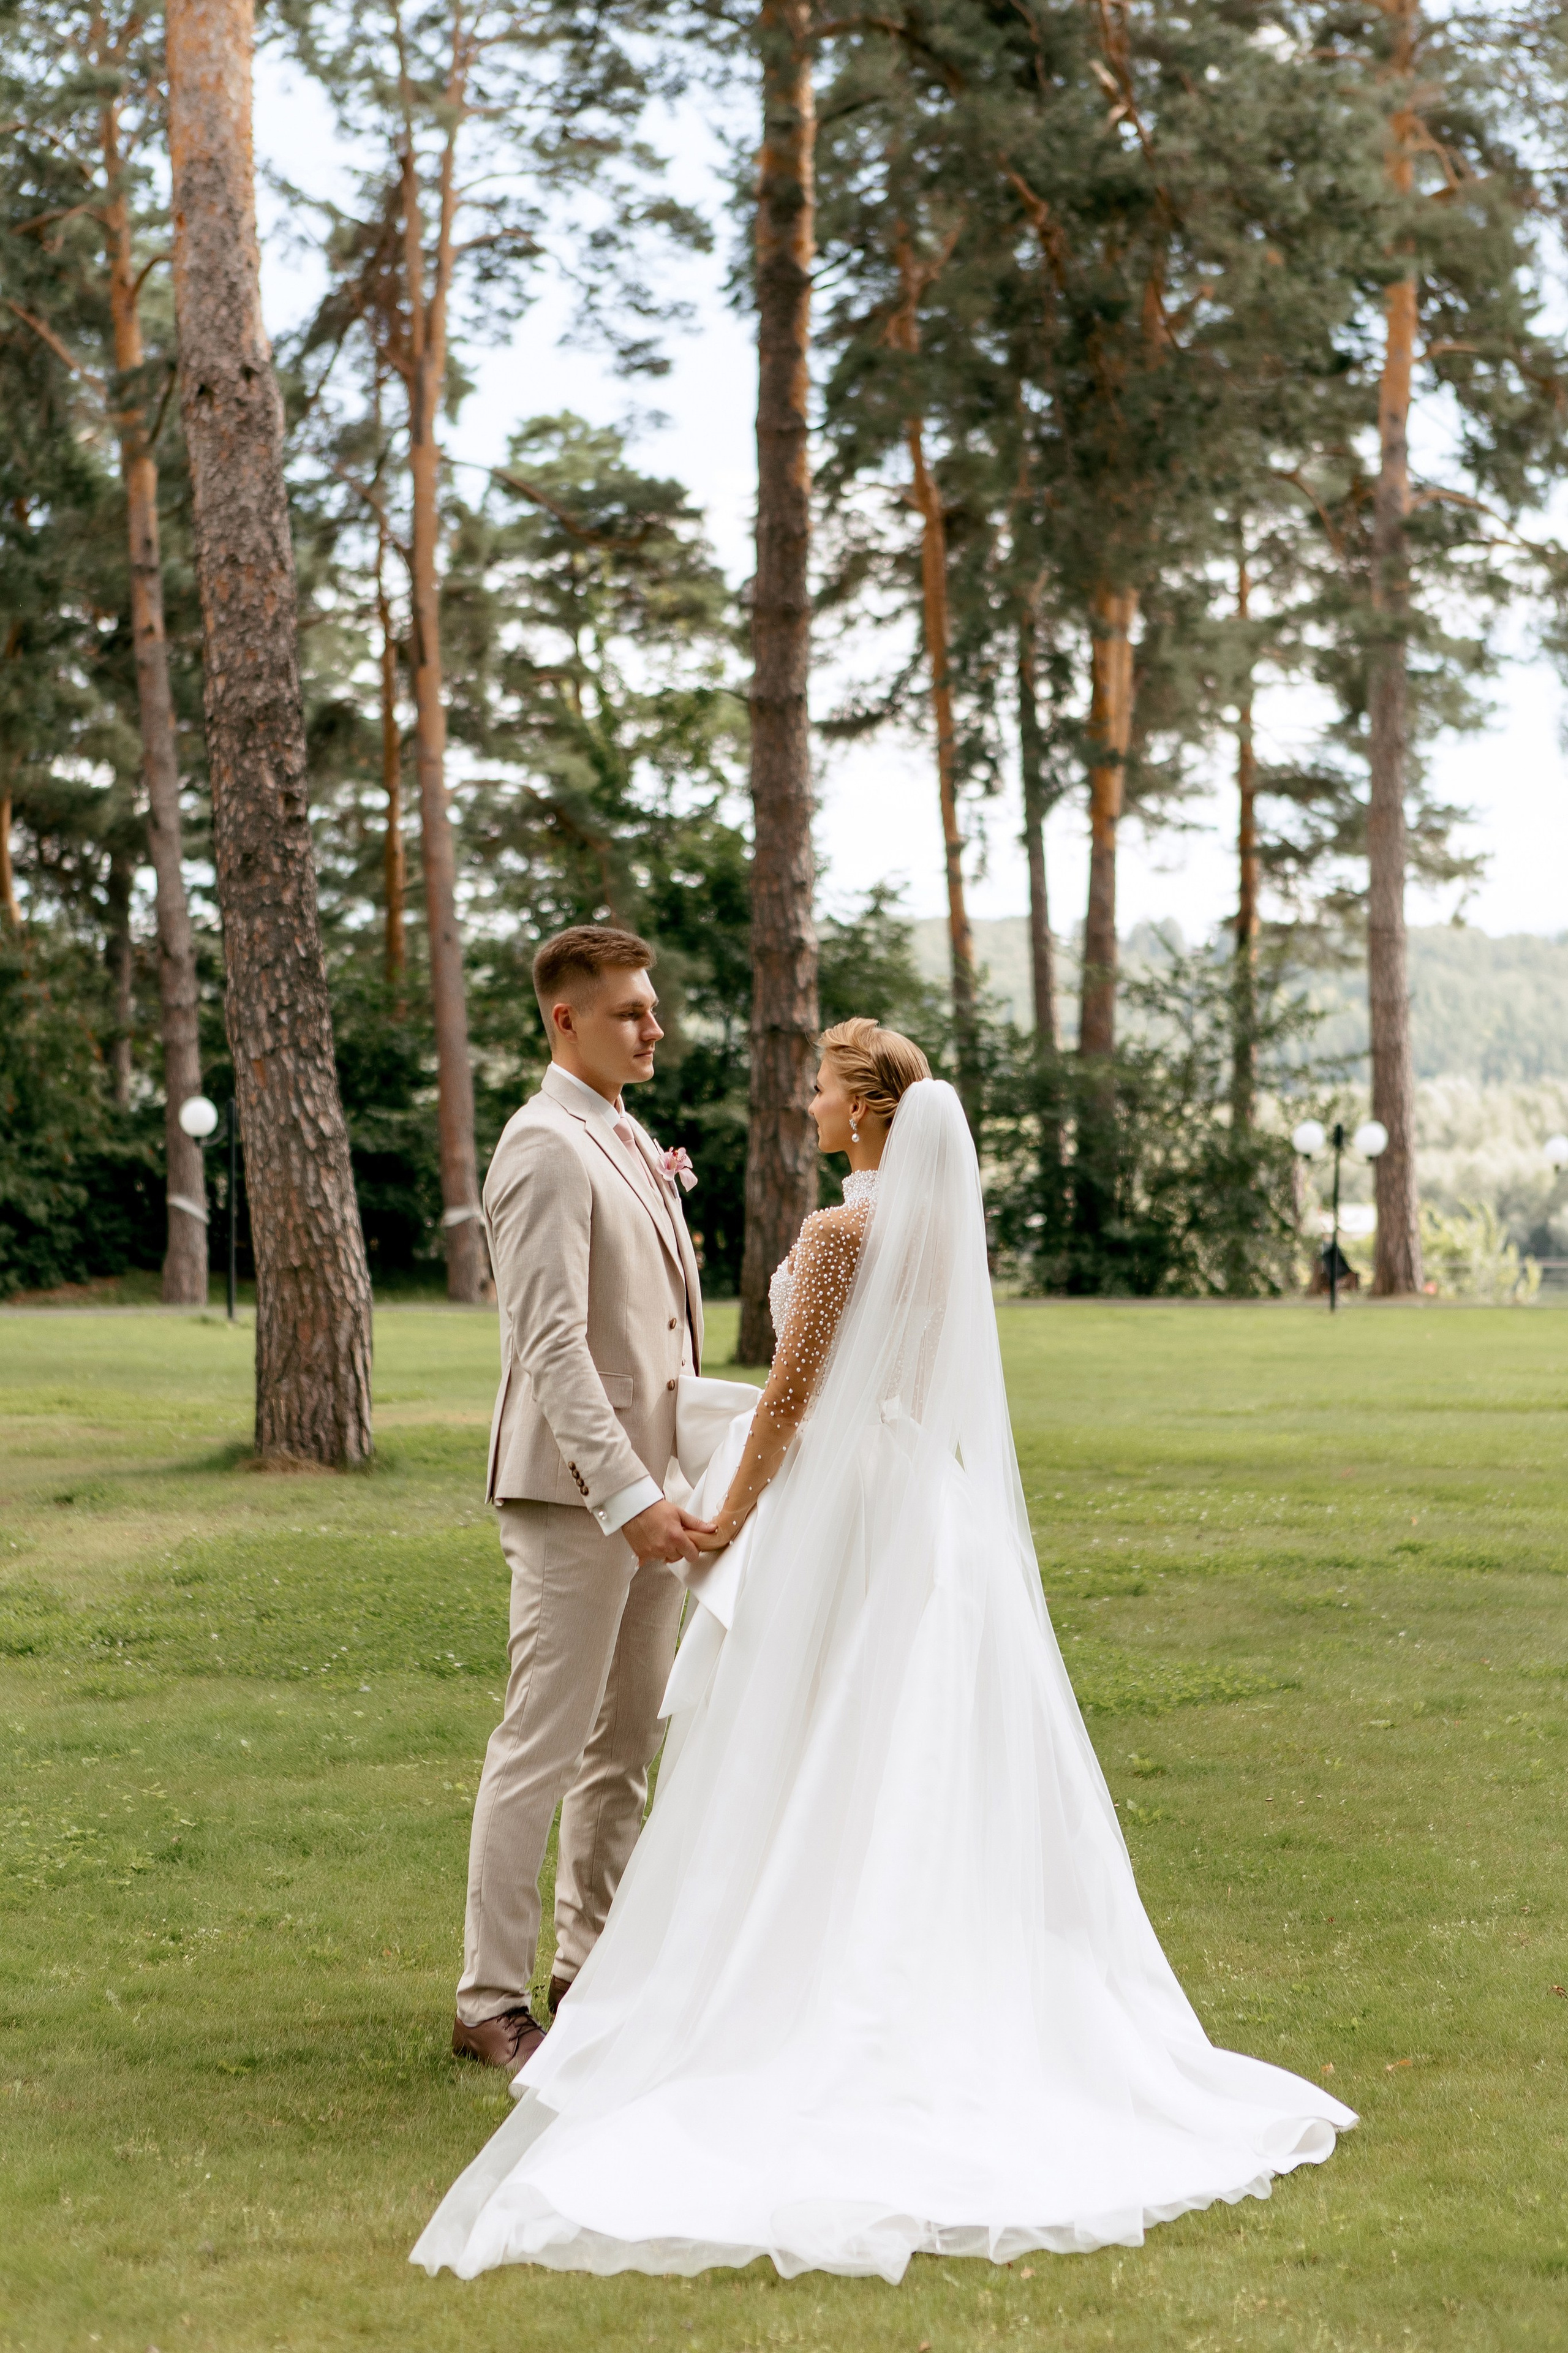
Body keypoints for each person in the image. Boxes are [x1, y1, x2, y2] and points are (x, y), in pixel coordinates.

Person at [417, 1020, 1355, 2283]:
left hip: (839, 1508)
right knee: (905, 1748)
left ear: (862, 1111)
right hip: (924, 1504)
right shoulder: (933, 1232)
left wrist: (727, 1515)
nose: (800, 1099)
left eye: (815, 1085)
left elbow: (795, 1401)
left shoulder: (842, 1235)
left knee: (808, 1745)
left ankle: (794, 1987)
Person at [449, 924, 713, 2077]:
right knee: (541, 1748)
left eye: (653, 1008)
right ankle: (488, 2000)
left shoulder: (625, 1131)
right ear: (567, 1018)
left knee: (625, 1747)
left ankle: (589, 1968)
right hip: (576, 1496)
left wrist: (683, 1474)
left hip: (657, 1490)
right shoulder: (544, 1145)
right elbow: (551, 1347)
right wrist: (627, 1494)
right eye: (631, 1012)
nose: (653, 1027)